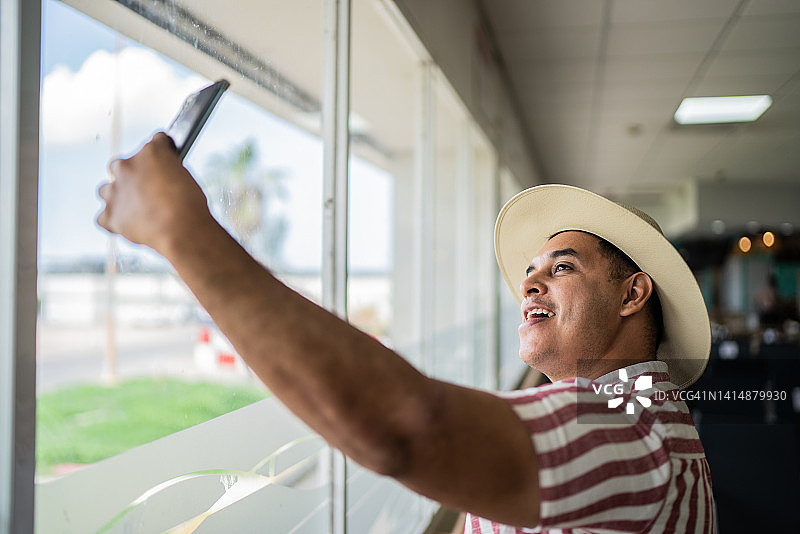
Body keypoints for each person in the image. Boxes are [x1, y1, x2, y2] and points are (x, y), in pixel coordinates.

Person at [97, 133, 715, 533]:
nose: (529, 285)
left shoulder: (630, 430)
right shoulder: (636, 417)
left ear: (633, 294)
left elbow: (411, 427)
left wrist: (180, 229)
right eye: (529, 273)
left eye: (562, 268)